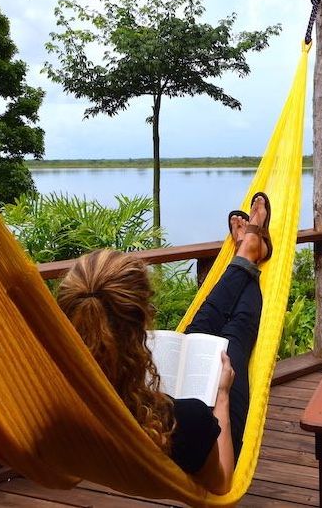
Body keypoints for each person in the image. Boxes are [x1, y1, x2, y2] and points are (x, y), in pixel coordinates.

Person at [56, 192, 273, 495]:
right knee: (235, 336)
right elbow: (221, 482)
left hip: (132, 409)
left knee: (198, 331)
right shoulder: (184, 420)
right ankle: (250, 251)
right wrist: (222, 394)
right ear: (141, 322)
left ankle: (247, 253)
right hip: (206, 427)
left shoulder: (58, 394)